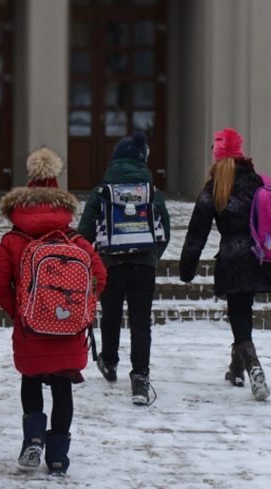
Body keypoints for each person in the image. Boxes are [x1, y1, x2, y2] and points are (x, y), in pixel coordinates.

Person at [0, 147, 107, 475]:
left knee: (30, 380)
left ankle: (33, 440)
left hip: (31, 329)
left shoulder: (13, 240)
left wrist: (21, 311)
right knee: (62, 386)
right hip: (69, 327)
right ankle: (57, 457)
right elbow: (99, 275)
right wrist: (80, 308)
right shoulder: (74, 239)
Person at [179, 128, 271, 401]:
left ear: (218, 157)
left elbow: (197, 232)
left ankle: (253, 365)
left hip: (233, 257)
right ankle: (236, 369)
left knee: (239, 312)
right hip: (258, 256)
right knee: (243, 310)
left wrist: (187, 268)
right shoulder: (256, 181)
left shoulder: (215, 187)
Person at [77, 132, 170, 405]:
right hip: (144, 265)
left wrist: (95, 261)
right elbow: (164, 231)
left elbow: (84, 234)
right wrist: (152, 256)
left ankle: (109, 362)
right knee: (141, 322)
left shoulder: (101, 192)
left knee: (111, 316)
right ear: (142, 161)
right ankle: (140, 378)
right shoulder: (152, 192)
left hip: (110, 265)